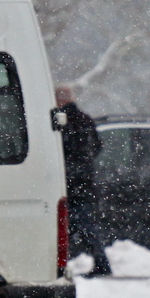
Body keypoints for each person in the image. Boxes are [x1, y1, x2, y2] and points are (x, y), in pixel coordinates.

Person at [56, 85, 112, 276]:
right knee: (84, 225)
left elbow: (61, 150)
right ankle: (100, 262)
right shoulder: (85, 119)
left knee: (69, 226)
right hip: (85, 181)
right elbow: (96, 147)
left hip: (69, 182)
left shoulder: (61, 121)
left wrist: (68, 168)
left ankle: (60, 265)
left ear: (60, 100)